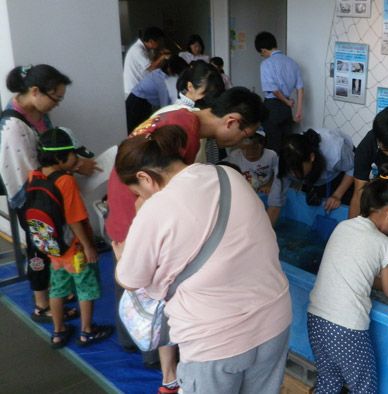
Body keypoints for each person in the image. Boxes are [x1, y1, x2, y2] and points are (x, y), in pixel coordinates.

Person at [106, 86, 266, 393]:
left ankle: (167, 373)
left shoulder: (179, 115)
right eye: (247, 133)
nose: (244, 141)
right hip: (137, 218)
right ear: (231, 121)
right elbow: (171, 197)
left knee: (150, 294)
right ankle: (167, 370)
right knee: (150, 296)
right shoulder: (185, 133)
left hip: (129, 213)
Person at [1, 64, 99, 323]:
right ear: (35, 91)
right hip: (34, 200)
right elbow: (33, 171)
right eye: (55, 98)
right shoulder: (13, 126)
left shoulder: (39, 115)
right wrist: (74, 167)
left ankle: (57, 292)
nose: (57, 104)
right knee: (39, 250)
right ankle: (41, 304)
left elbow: (50, 152)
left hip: (48, 195)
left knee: (54, 248)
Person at [307, 175, 388, 393]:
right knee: (364, 387)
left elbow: (357, 273)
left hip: (315, 318)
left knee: (328, 381)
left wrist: (382, 284)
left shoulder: (343, 226)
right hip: (346, 328)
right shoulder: (384, 243)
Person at [26, 128, 112, 348]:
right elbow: (74, 219)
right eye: (73, 154)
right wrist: (88, 246)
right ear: (59, 157)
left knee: (57, 289)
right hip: (75, 250)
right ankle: (87, 331)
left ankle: (58, 331)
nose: (77, 158)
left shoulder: (35, 175)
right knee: (85, 288)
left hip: (53, 248)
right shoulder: (65, 182)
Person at [266, 128, 354, 225]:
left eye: (297, 169)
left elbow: (353, 168)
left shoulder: (334, 151)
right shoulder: (284, 163)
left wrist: (337, 195)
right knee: (313, 202)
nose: (294, 175)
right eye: (291, 171)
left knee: (339, 204)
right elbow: (276, 202)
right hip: (316, 174)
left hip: (343, 171)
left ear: (311, 157)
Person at [254, 31, 304, 152]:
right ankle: (285, 170)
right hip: (287, 111)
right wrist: (298, 111)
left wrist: (286, 101)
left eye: (261, 53)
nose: (263, 56)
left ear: (264, 50)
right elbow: (300, 89)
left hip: (272, 107)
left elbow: (274, 90)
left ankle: (274, 171)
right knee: (287, 145)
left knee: (272, 146)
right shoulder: (293, 63)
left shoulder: (266, 64)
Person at [175, 60, 226, 164]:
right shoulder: (183, 113)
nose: (210, 98)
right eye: (205, 93)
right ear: (190, 87)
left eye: (215, 94)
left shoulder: (203, 107)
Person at [126, 55, 188, 134]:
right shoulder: (161, 80)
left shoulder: (160, 72)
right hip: (136, 103)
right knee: (135, 130)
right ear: (170, 70)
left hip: (142, 101)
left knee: (141, 129)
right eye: (177, 72)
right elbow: (164, 106)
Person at [226, 130, 278, 194]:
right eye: (246, 148)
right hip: (245, 190)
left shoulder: (271, 155)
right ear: (240, 146)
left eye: (254, 148)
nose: (250, 152)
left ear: (262, 145)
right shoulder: (234, 156)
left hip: (265, 190)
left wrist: (269, 185)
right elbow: (232, 177)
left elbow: (276, 173)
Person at [123, 26, 166, 96]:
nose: (160, 44)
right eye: (159, 41)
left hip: (140, 89)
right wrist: (162, 57)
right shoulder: (138, 50)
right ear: (151, 41)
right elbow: (151, 67)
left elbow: (155, 65)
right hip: (133, 91)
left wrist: (160, 55)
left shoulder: (148, 49)